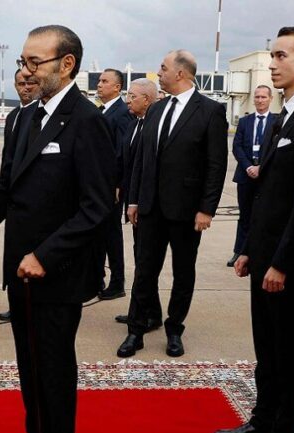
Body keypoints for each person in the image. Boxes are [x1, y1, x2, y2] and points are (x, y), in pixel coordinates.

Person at [0, 25, 115, 433]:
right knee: (30, 366)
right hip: (19, 272)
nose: (24, 70)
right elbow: (5, 193)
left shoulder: (86, 121)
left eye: (33, 63)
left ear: (66, 65)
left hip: (57, 272)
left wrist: (46, 254)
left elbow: (97, 205)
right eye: (22, 61)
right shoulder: (26, 118)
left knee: (53, 368)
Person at [214, 27, 294, 433]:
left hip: (288, 262)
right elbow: (270, 195)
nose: (272, 63)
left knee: (286, 346)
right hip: (265, 253)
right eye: (272, 55)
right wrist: (249, 247)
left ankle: (284, 431)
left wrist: (282, 262)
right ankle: (263, 418)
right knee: (266, 344)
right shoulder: (286, 116)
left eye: (281, 55)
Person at [119, 49, 228, 358]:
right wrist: (135, 199)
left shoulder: (209, 111)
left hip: (186, 210)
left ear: (180, 73)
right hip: (151, 207)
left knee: (183, 272)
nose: (159, 72)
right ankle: (136, 331)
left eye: (163, 68)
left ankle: (174, 329)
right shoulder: (156, 109)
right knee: (144, 271)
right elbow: (142, 158)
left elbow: (215, 165)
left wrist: (207, 208)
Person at [114, 78, 161, 330]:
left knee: (144, 262)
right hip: (134, 204)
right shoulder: (133, 126)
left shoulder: (153, 127)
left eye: (132, 96)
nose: (128, 100)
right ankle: (151, 311)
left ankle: (140, 315)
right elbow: (128, 166)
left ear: (147, 99)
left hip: (148, 206)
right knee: (140, 257)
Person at [0, 70, 41, 323]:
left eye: (30, 82)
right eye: (20, 83)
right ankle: (16, 299)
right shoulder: (14, 116)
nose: (25, 87)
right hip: (11, 196)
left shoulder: (39, 115)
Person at [97, 68, 135, 300]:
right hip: (100, 184)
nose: (99, 85)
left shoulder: (121, 113)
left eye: (104, 81)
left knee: (111, 234)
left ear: (117, 87)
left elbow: (123, 152)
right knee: (98, 232)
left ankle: (117, 281)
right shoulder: (104, 111)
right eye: (99, 81)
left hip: (112, 187)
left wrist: (118, 184)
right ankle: (97, 276)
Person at [228, 84, 275, 268]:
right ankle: (239, 252)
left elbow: (275, 148)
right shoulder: (245, 122)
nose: (260, 100)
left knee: (264, 216)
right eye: (257, 97)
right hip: (246, 177)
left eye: (263, 97)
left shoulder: (277, 122)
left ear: (270, 99)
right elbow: (237, 147)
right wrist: (248, 166)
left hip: (266, 178)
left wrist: (261, 168)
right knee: (245, 216)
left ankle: (261, 253)